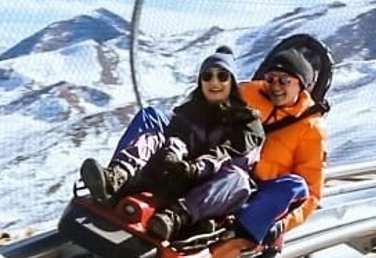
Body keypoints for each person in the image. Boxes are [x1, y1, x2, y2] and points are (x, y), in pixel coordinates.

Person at [79, 46, 264, 241]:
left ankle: (174, 218)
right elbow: (178, 137)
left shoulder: (248, 123)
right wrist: (173, 155)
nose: (214, 82)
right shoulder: (190, 111)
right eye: (207, 76)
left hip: (212, 187)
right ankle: (117, 177)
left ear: (232, 83)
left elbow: (231, 154)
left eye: (222, 76)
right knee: (154, 137)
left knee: (238, 179)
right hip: (178, 177)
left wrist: (198, 168)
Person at [207, 44, 328, 258]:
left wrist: (282, 225)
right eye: (271, 78)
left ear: (301, 85)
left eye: (284, 81)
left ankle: (240, 235)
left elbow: (311, 194)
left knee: (295, 186)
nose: (275, 86)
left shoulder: (310, 128)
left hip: (259, 196)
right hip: (224, 173)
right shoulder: (246, 94)